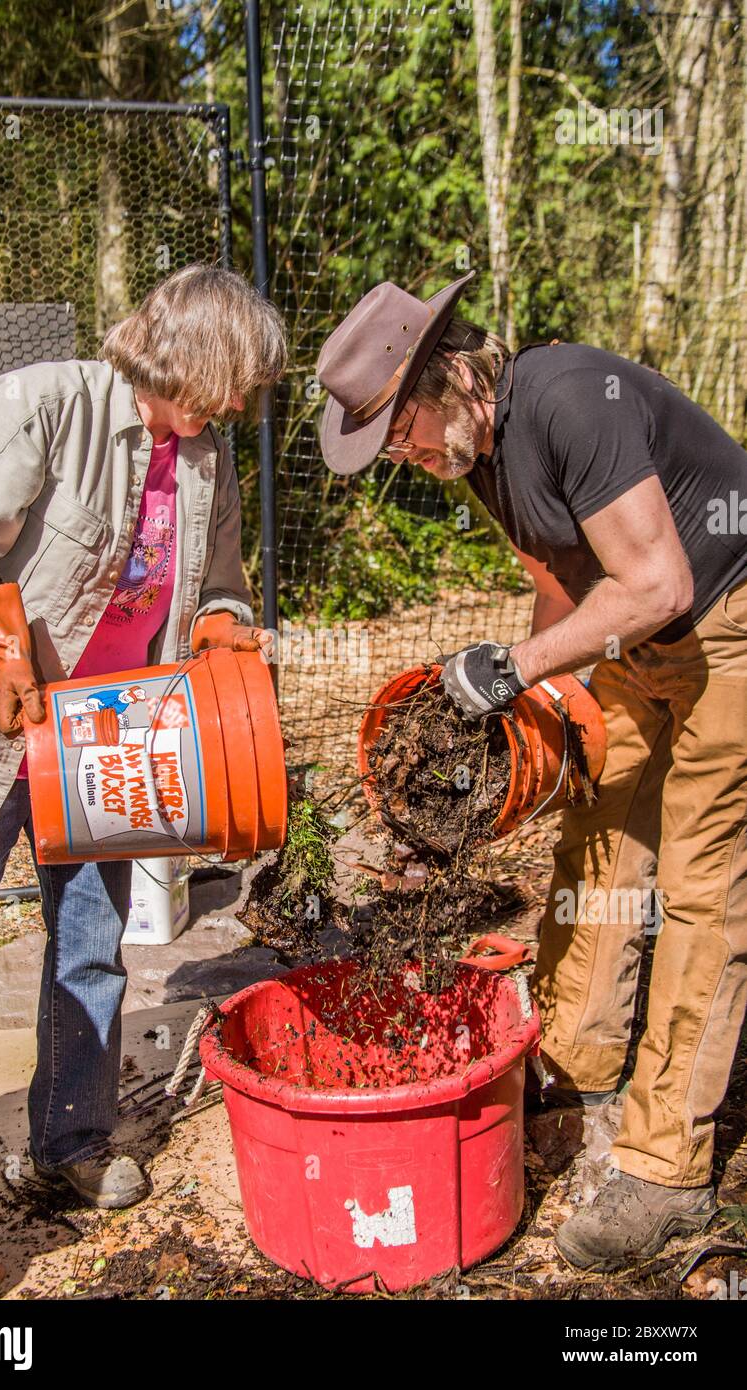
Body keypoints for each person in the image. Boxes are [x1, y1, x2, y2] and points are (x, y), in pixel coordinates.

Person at [316, 271, 747, 1271]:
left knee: (696, 882)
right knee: (594, 831)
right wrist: (525, 717)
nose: (406, 458)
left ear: (453, 375)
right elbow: (561, 589)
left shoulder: (561, 399)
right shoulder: (477, 454)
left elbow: (658, 579)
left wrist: (510, 668)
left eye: (402, 432)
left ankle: (663, 1168)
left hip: (726, 623)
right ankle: (573, 1058)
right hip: (641, 645)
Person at [0, 264, 286, 1263]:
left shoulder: (207, 458)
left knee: (94, 944)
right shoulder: (38, 404)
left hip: (110, 738)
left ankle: (69, 1140)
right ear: (182, 356)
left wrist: (226, 630)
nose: (237, 403)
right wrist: (10, 652)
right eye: (230, 379)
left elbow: (220, 586)